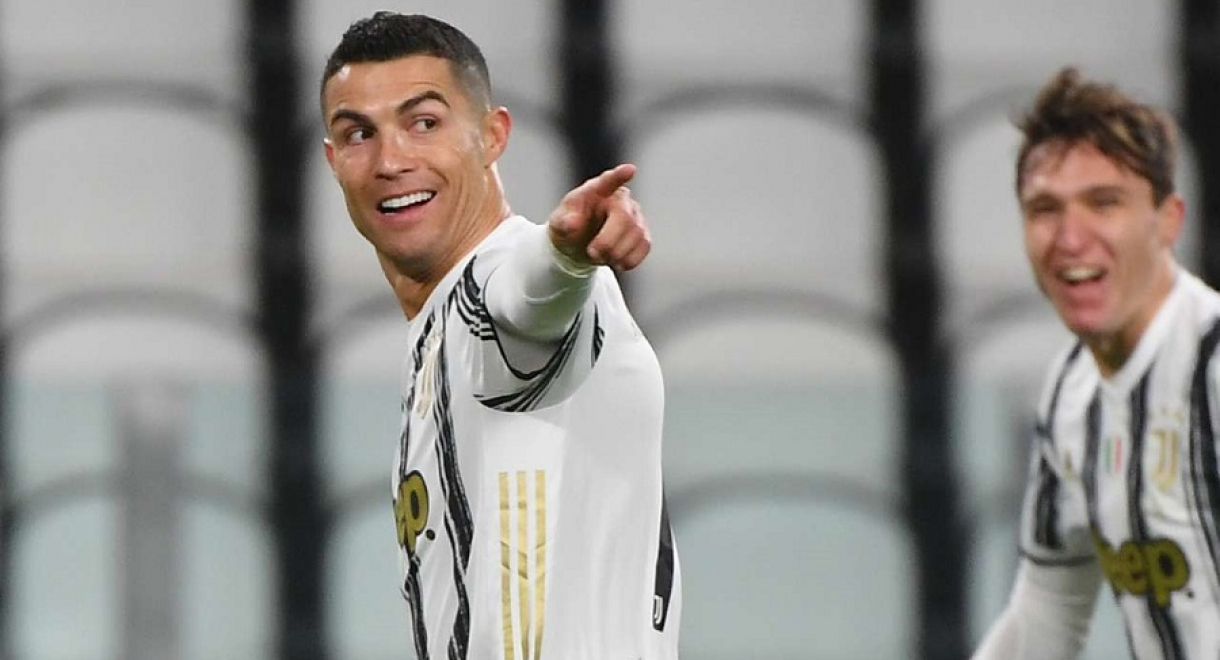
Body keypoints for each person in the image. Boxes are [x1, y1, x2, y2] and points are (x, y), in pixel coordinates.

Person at [319, 11, 680, 660]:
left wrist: (565, 257)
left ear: (492, 136)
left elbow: (523, 303)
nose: (390, 161)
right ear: (332, 161)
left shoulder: (499, 284)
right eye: (358, 134)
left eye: (424, 123)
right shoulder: (432, 340)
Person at [972, 67, 1220, 659]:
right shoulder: (1071, 393)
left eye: (1103, 203)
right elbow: (1048, 610)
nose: (1071, 237)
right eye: (1045, 209)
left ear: (1168, 219)